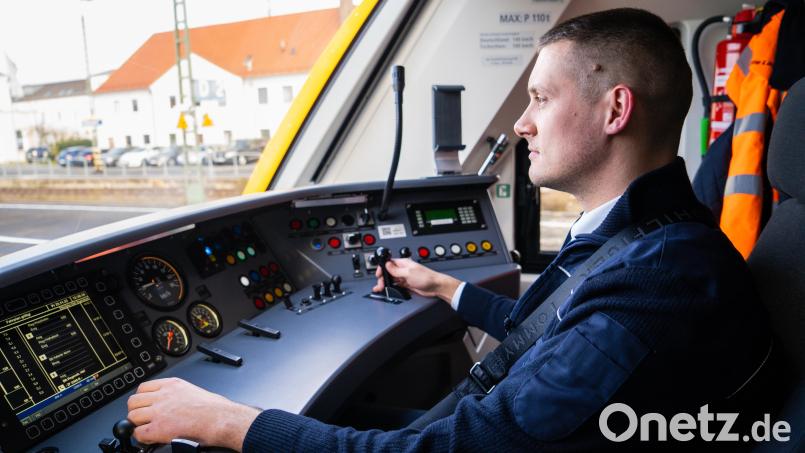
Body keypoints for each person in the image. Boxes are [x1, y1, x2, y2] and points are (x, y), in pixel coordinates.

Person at [126, 8, 774, 451]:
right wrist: (446, 288)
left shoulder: (658, 283)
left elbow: (456, 447)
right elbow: (555, 323)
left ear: (615, 109)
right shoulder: (647, 234)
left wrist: (230, 421)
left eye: (541, 98)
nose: (521, 123)